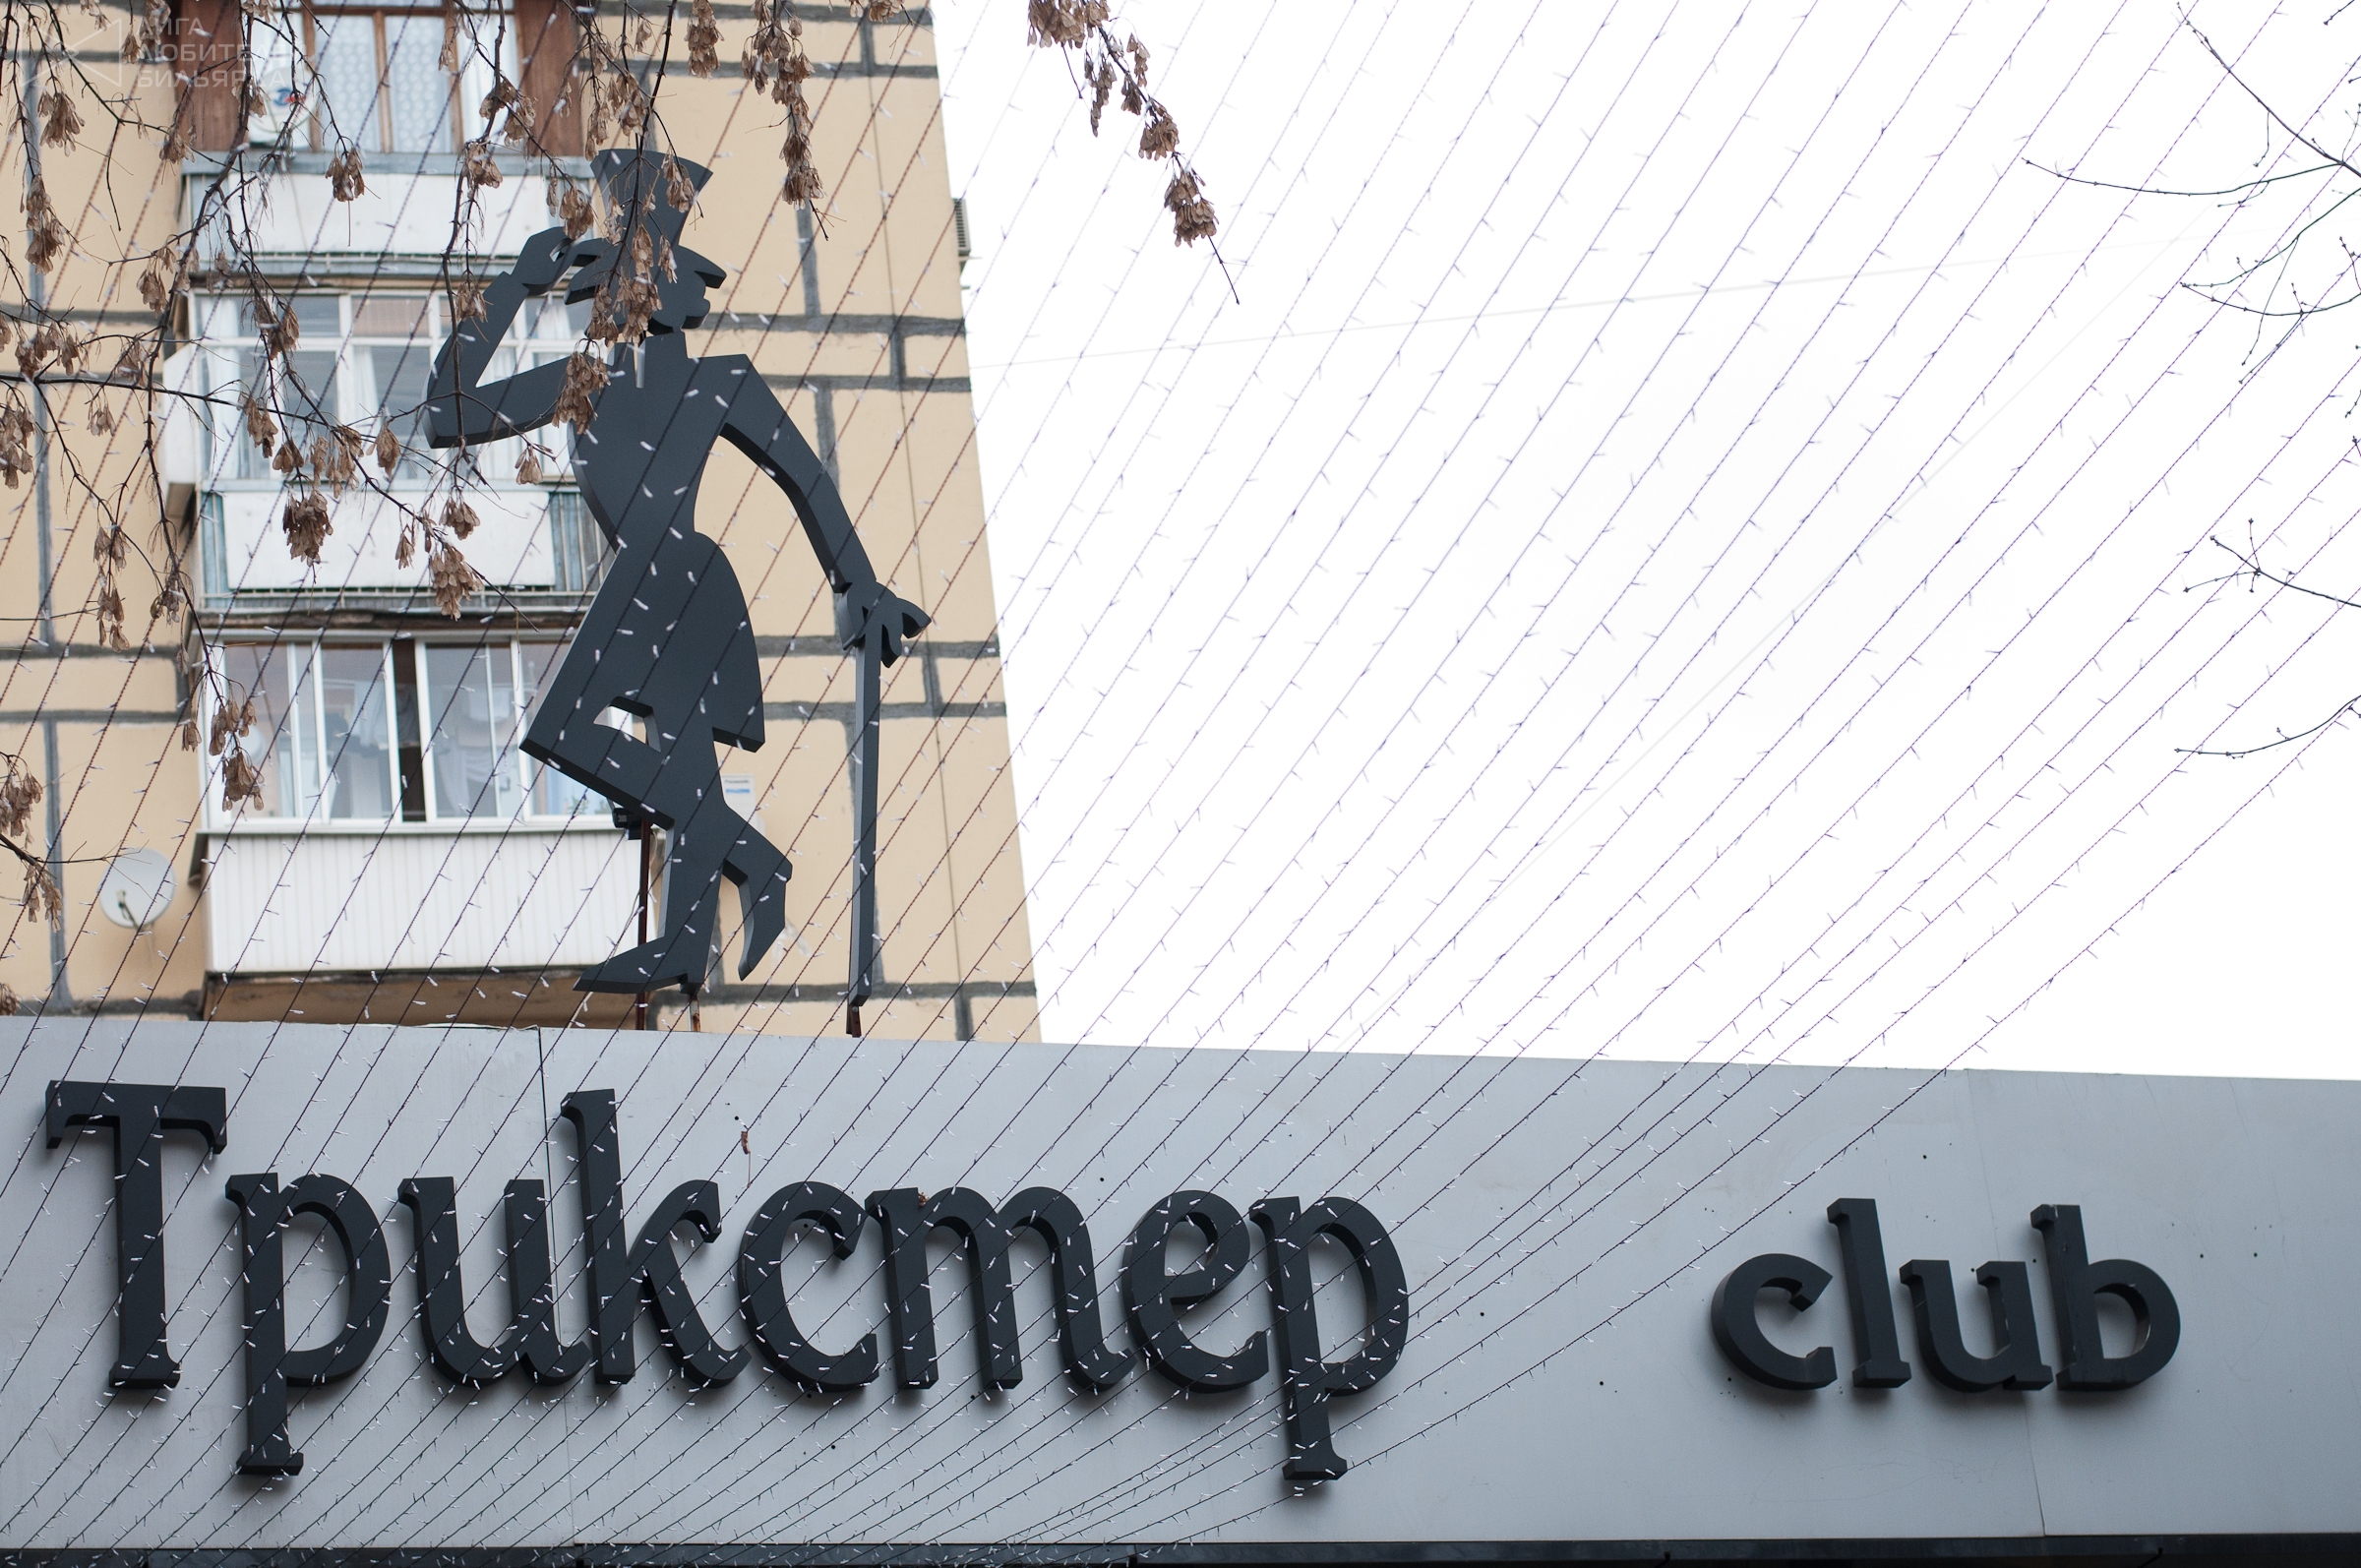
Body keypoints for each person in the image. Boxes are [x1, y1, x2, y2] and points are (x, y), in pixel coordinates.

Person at [427, 149, 928, 1012]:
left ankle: (736, 879)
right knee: (653, 755)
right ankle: (728, 895)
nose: (618, 300)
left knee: (568, 731)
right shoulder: (582, 382)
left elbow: (804, 476)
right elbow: (449, 414)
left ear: (669, 291)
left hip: (678, 579)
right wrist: (511, 289)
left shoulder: (717, 380)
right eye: (609, 283)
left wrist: (859, 585)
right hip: (648, 575)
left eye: (632, 282)